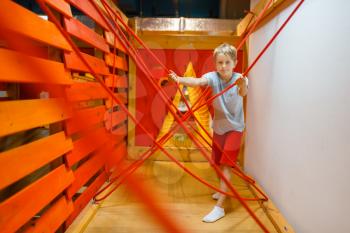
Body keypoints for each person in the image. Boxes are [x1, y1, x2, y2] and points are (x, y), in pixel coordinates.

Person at [168, 43, 248, 223]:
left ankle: (219, 207)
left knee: (227, 165)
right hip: (219, 128)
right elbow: (197, 82)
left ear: (234, 63)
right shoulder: (213, 77)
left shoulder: (240, 78)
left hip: (235, 128)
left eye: (227, 62)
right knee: (217, 163)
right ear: (215, 64)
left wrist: (242, 84)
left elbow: (243, 92)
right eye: (220, 62)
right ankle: (222, 189)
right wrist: (179, 79)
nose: (223, 67)